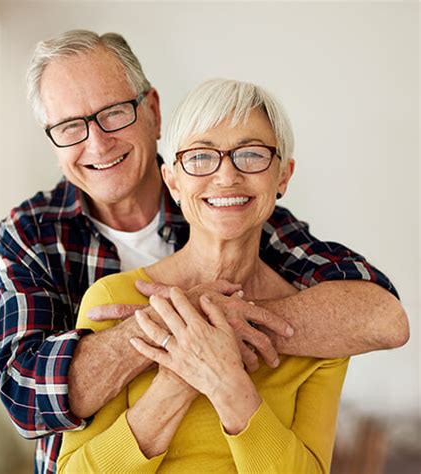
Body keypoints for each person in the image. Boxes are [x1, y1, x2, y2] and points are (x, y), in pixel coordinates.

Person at [0, 30, 408, 474]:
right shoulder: (34, 233)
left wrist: (216, 323)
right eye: (70, 127)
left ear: (151, 110)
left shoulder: (245, 217)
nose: (97, 143)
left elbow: (380, 314)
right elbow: (26, 397)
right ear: (176, 178)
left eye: (113, 113)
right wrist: (175, 332)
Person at [58, 78, 355, 472]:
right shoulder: (112, 299)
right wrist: (180, 376)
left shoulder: (323, 329)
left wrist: (224, 379)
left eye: (250, 155)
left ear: (283, 176)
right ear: (173, 181)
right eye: (200, 157)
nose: (227, 176)